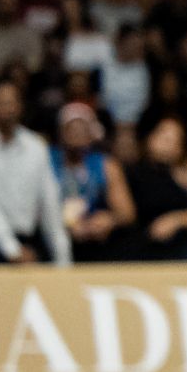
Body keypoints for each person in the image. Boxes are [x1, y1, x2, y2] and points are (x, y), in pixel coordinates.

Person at [0, 76, 71, 264]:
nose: (9, 108)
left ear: (21, 106)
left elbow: (50, 203)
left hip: (29, 243)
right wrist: (12, 249)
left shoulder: (36, 146)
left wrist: (63, 259)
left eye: (12, 102)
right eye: (2, 103)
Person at [50, 102, 132, 260]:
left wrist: (109, 219)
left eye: (82, 129)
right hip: (53, 233)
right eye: (71, 129)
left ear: (92, 132)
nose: (76, 133)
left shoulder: (106, 164)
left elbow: (126, 213)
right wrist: (64, 224)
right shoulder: (47, 161)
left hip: (96, 241)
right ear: (61, 132)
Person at [129, 114, 187, 259]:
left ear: (181, 148)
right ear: (150, 137)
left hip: (186, 245)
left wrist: (175, 220)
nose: (167, 143)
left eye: (174, 140)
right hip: (143, 243)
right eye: (163, 135)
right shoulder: (132, 172)